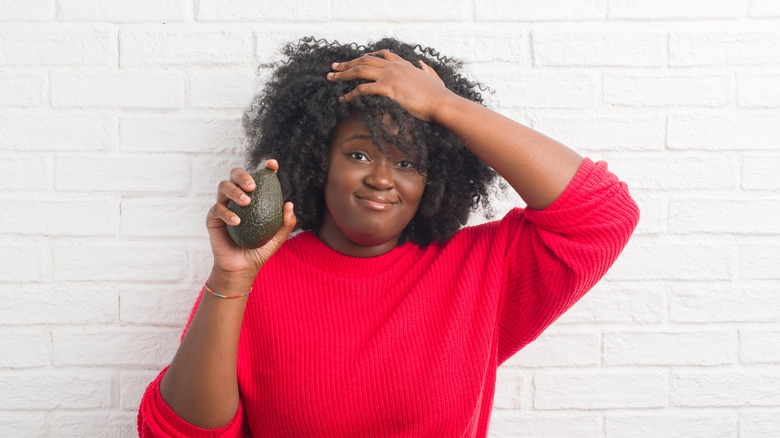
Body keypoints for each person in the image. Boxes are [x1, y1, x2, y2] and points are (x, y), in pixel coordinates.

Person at [138, 37, 639, 437]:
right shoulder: (255, 279)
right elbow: (181, 432)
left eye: (407, 163)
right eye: (358, 154)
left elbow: (603, 216)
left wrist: (444, 105)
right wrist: (230, 275)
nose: (382, 178)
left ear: (433, 179)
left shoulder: (478, 270)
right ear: (318, 162)